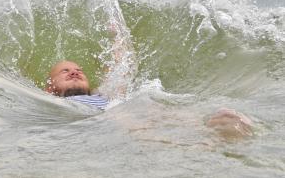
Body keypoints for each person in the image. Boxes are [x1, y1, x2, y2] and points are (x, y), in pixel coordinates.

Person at [45, 60, 253, 138]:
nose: (74, 72)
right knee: (125, 117)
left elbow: (120, 66)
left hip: (130, 109)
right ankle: (204, 142)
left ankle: (213, 128)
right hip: (105, 120)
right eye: (65, 71)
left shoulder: (102, 94)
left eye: (79, 70)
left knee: (152, 105)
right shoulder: (51, 101)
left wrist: (116, 31)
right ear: (50, 87)